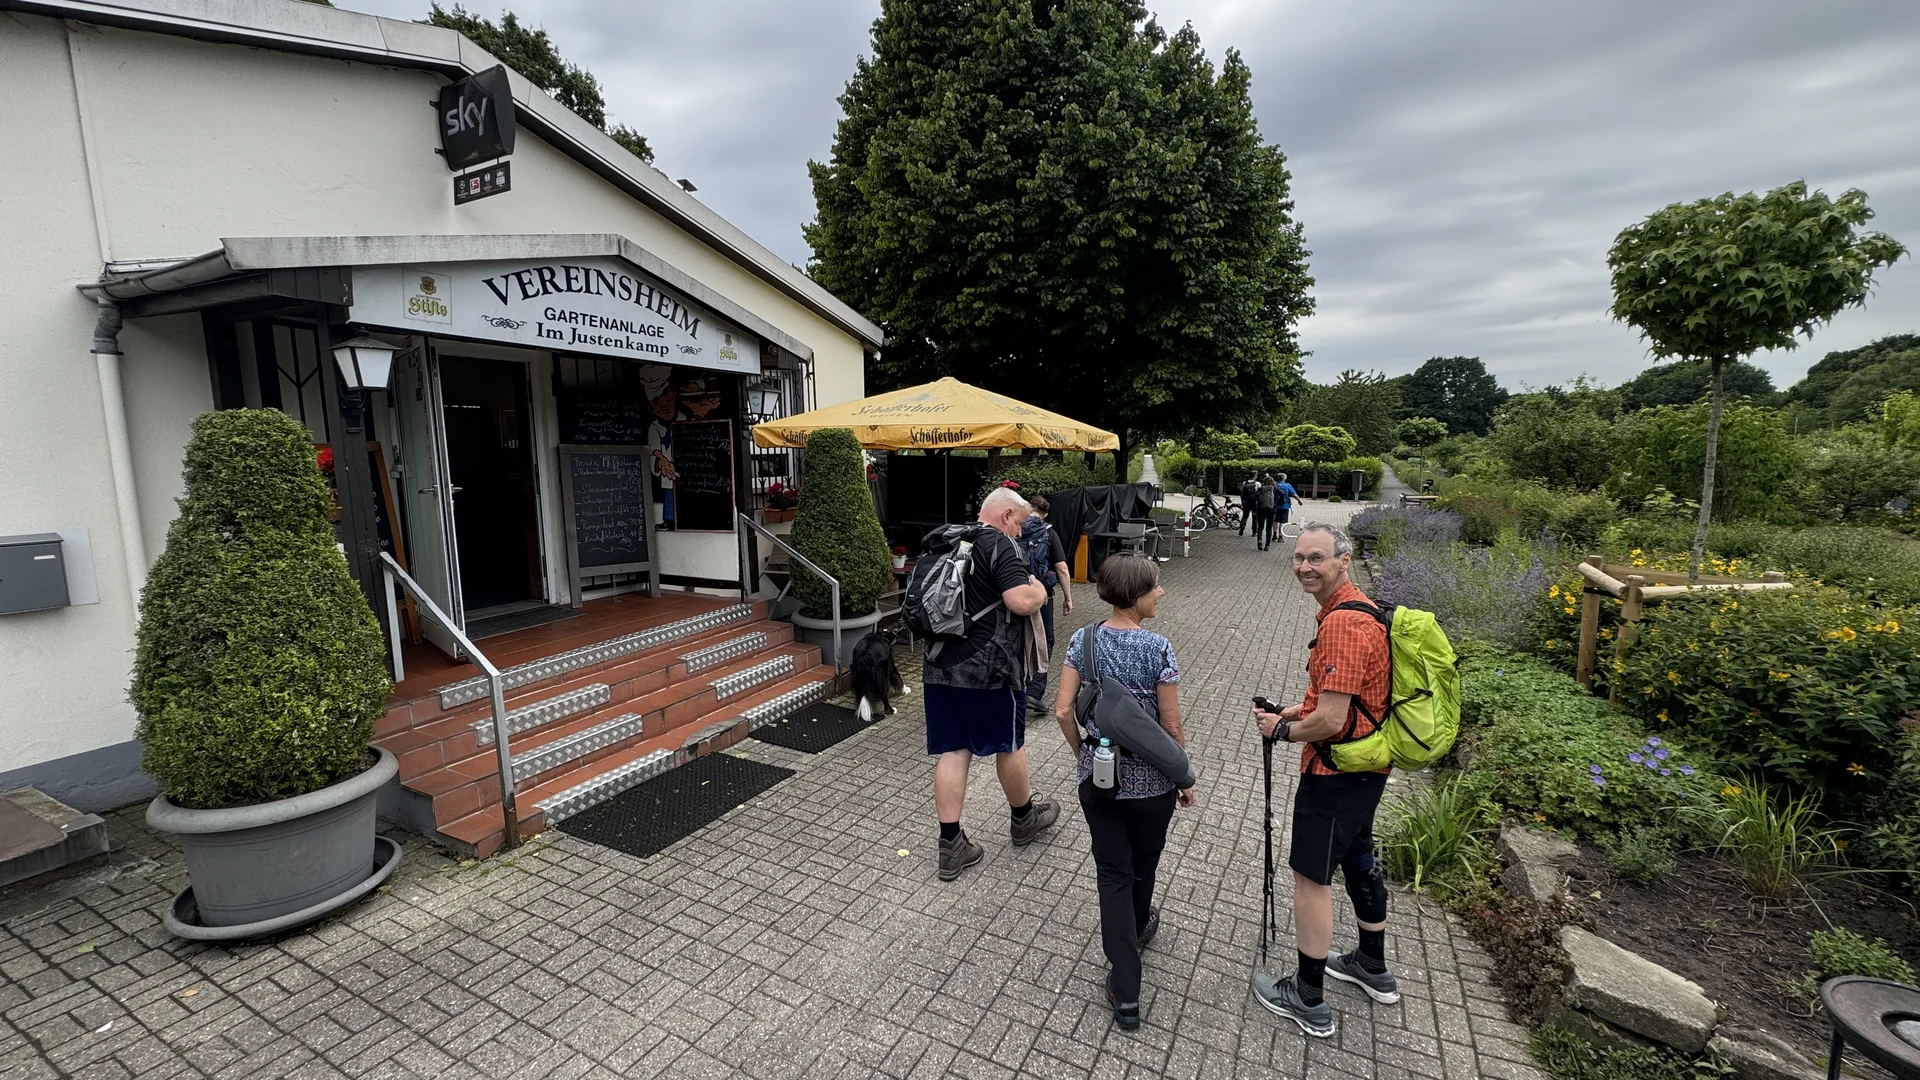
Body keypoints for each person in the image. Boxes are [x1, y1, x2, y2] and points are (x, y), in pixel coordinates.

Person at [1250, 523, 1398, 1037]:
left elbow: (1331, 722)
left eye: (1316, 558)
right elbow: (1342, 700)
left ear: (1344, 559)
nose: (1305, 567)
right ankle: (1371, 965)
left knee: (1311, 878)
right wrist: (1295, 709)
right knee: (1358, 858)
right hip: (1366, 768)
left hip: (1335, 773)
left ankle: (1308, 996)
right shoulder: (1361, 609)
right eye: (1299, 558)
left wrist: (1282, 729)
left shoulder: (1343, 624)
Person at [1053, 556, 1196, 1030]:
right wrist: (1181, 774)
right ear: (1135, 595)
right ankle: (1139, 924)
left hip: (1099, 780)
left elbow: (1062, 711)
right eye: (1155, 586)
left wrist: (1082, 753)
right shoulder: (1159, 648)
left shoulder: (1082, 640)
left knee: (1113, 872)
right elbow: (1170, 725)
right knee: (1145, 861)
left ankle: (1126, 987)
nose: (1161, 593)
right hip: (1153, 785)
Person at [924, 486, 1062, 881]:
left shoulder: (949, 539)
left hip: (939, 664)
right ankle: (1024, 818)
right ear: (1006, 516)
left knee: (953, 750)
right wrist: (1039, 590)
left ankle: (951, 844)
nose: (1021, 532)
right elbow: (1020, 601)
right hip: (990, 669)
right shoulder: (1001, 544)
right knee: (1009, 744)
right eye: (1020, 523)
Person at [1022, 495, 1074, 717]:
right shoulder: (1048, 532)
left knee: (1017, 637)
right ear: (1044, 514)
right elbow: (1062, 568)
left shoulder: (1015, 528)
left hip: (1014, 591)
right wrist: (1068, 598)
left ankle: (1015, 686)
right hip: (1042, 595)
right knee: (1045, 640)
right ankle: (1034, 692)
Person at [1272, 473, 1300, 547]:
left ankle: (1274, 534)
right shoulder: (1288, 485)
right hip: (1285, 505)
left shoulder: (1274, 484)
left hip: (1275, 505)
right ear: (1284, 478)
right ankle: (1280, 536)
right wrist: (1299, 500)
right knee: (1282, 522)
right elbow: (1294, 494)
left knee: (1275, 520)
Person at [1253, 475, 1278, 551]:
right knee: (1269, 528)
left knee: (1260, 527)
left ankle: (1259, 541)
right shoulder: (1274, 488)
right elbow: (1282, 494)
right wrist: (1276, 503)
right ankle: (1267, 545)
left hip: (1261, 509)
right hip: (1271, 510)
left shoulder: (1261, 489)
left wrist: (1259, 503)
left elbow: (1255, 497)